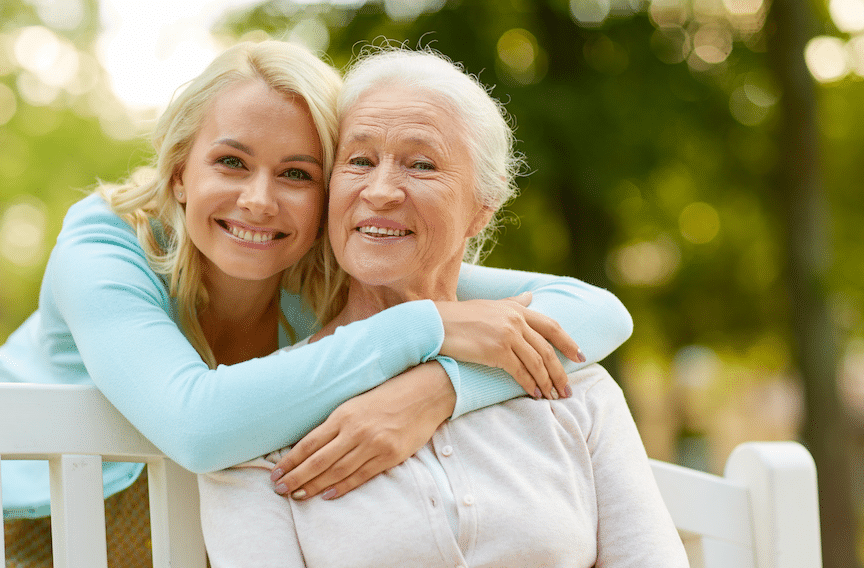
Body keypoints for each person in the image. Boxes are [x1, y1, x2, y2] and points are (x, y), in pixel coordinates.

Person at [0, 41, 632, 566]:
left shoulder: (316, 260)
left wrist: (439, 387)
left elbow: (594, 310)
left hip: (216, 525)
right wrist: (428, 326)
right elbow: (200, 426)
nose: (260, 201)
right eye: (232, 163)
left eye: (297, 174)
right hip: (55, 521)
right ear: (180, 172)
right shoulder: (104, 243)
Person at [198, 46, 688, 567]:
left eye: (421, 164)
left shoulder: (572, 384)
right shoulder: (262, 417)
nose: (381, 191)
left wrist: (443, 386)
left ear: (483, 206)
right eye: (359, 161)